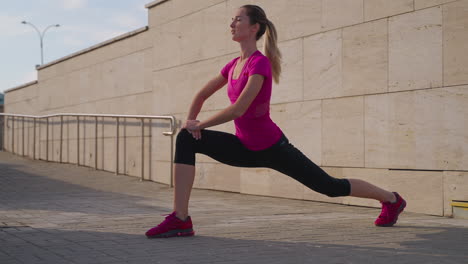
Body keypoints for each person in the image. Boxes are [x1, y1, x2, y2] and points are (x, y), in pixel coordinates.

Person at [145, 5, 406, 239]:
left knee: (330, 187)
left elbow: (239, 109)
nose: (231, 24)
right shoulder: (234, 65)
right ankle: (180, 219)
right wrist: (191, 122)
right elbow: (201, 94)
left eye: (237, 19)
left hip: (273, 149)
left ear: (254, 27)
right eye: (231, 20)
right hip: (244, 148)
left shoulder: (260, 64)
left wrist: (200, 125)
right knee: (186, 138)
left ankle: (391, 199)